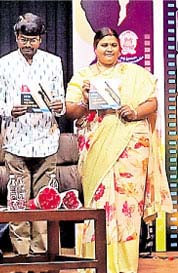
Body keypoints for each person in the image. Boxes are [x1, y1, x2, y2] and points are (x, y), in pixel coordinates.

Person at [65, 27, 173, 273]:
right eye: (104, 45)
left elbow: (152, 103)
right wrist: (84, 100)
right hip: (96, 149)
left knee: (127, 212)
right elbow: (70, 111)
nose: (109, 49)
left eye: (113, 45)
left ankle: (125, 267)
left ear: (120, 49)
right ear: (95, 48)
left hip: (130, 153)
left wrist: (133, 112)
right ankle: (94, 265)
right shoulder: (83, 77)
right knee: (98, 206)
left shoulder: (135, 74)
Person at [0, 13, 65, 256]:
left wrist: (59, 106)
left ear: (40, 40)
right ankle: (22, 254)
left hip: (46, 140)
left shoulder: (54, 62)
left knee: (46, 198)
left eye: (33, 40)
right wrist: (9, 110)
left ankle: (42, 254)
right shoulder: (3, 64)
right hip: (16, 141)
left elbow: (61, 101)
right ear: (16, 37)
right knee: (18, 199)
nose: (28, 44)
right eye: (23, 39)